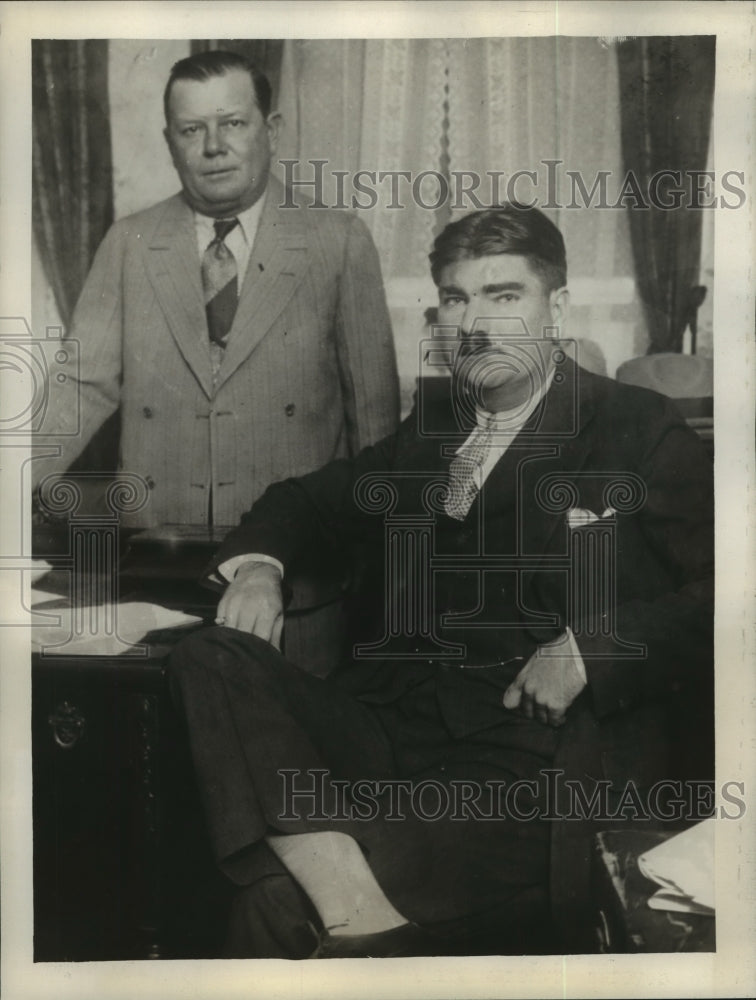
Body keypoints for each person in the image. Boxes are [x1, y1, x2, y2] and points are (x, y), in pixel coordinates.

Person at [168, 204, 714, 958]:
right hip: (387, 734)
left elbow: (732, 597)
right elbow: (302, 503)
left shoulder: (636, 427)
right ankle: (348, 888)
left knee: (270, 904)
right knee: (207, 657)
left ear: (557, 308)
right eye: (457, 300)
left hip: (525, 769)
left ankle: (331, 887)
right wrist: (260, 568)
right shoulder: (433, 429)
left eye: (504, 295)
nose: (477, 323)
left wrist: (594, 651)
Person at [31, 50, 399, 669]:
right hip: (154, 570)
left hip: (295, 581)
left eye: (232, 123)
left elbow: (376, 425)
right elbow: (78, 386)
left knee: (286, 745)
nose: (214, 146)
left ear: (271, 130)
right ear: (171, 141)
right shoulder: (130, 243)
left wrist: (371, 573)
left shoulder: (337, 241)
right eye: (192, 129)